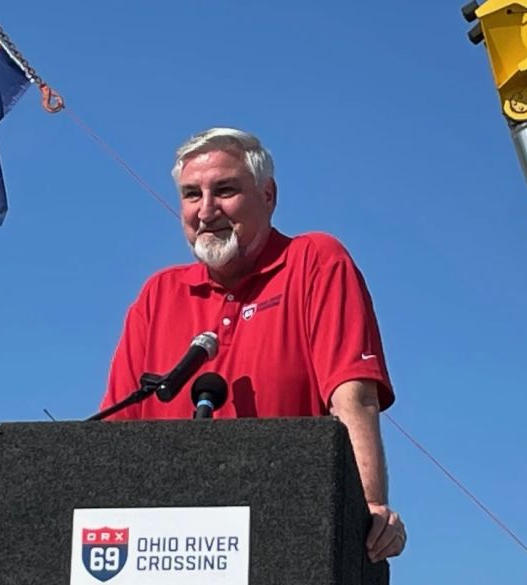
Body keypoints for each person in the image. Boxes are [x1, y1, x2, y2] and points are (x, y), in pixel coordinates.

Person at [101, 127, 407, 562]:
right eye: (191, 195)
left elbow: (352, 395)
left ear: (268, 196)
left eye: (224, 190)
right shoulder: (158, 294)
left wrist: (367, 507)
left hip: (286, 538)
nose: (206, 210)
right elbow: (116, 436)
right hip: (166, 551)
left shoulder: (315, 260)